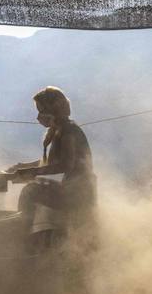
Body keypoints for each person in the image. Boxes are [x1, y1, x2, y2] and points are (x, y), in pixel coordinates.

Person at [9, 86, 97, 248]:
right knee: (33, 189)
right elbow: (53, 161)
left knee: (31, 191)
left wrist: (31, 172)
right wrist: (23, 167)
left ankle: (23, 239)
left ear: (53, 110)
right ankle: (32, 236)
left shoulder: (68, 132)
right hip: (74, 189)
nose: (38, 116)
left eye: (41, 110)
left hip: (78, 193)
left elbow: (66, 164)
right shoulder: (61, 129)